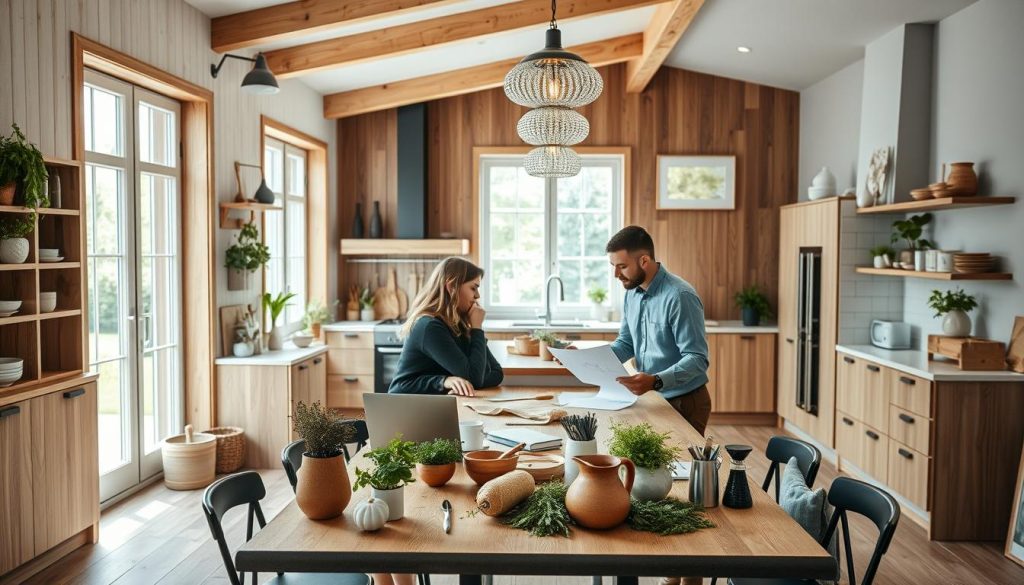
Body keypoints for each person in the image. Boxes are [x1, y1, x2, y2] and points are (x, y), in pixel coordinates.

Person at [606, 225, 712, 436]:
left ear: (644, 261)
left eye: (622, 266)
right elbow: (626, 344)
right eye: (613, 266)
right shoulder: (632, 294)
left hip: (685, 401)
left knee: (681, 467)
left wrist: (656, 380)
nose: (616, 274)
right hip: (652, 397)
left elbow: (698, 359)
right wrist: (586, 358)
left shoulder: (680, 296)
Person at [389, 257, 504, 396]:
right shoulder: (430, 326)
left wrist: (467, 382)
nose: (477, 296)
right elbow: (475, 378)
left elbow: (496, 373)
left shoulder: (457, 325)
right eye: (473, 288)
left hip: (433, 406)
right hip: (405, 409)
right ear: (451, 287)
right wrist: (477, 329)